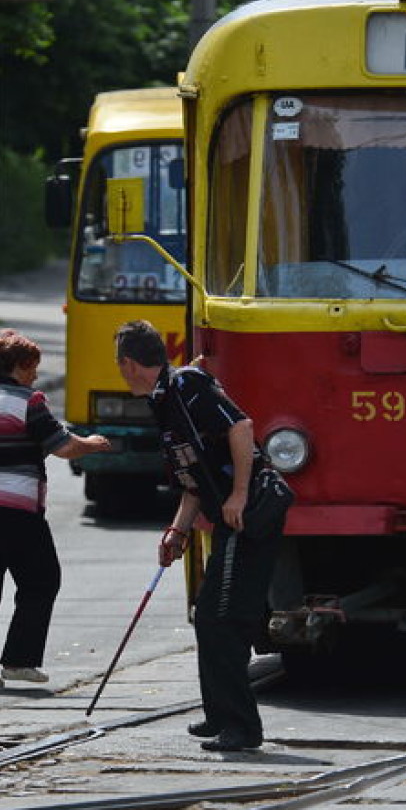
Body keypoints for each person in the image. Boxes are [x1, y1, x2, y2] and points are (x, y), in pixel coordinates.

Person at [115, 319, 287, 753]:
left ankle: (242, 727)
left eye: (119, 363)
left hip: (248, 514)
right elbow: (193, 478)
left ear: (129, 363)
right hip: (224, 514)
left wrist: (240, 494)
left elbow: (242, 428)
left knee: (222, 617)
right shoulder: (162, 400)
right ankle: (218, 714)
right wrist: (178, 529)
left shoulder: (187, 384)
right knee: (209, 615)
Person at [0, 330, 112, 690]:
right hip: (17, 511)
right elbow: (63, 448)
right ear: (19, 367)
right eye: (33, 368)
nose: (36, 375)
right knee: (42, 580)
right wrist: (91, 444)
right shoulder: (29, 402)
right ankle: (19, 659)